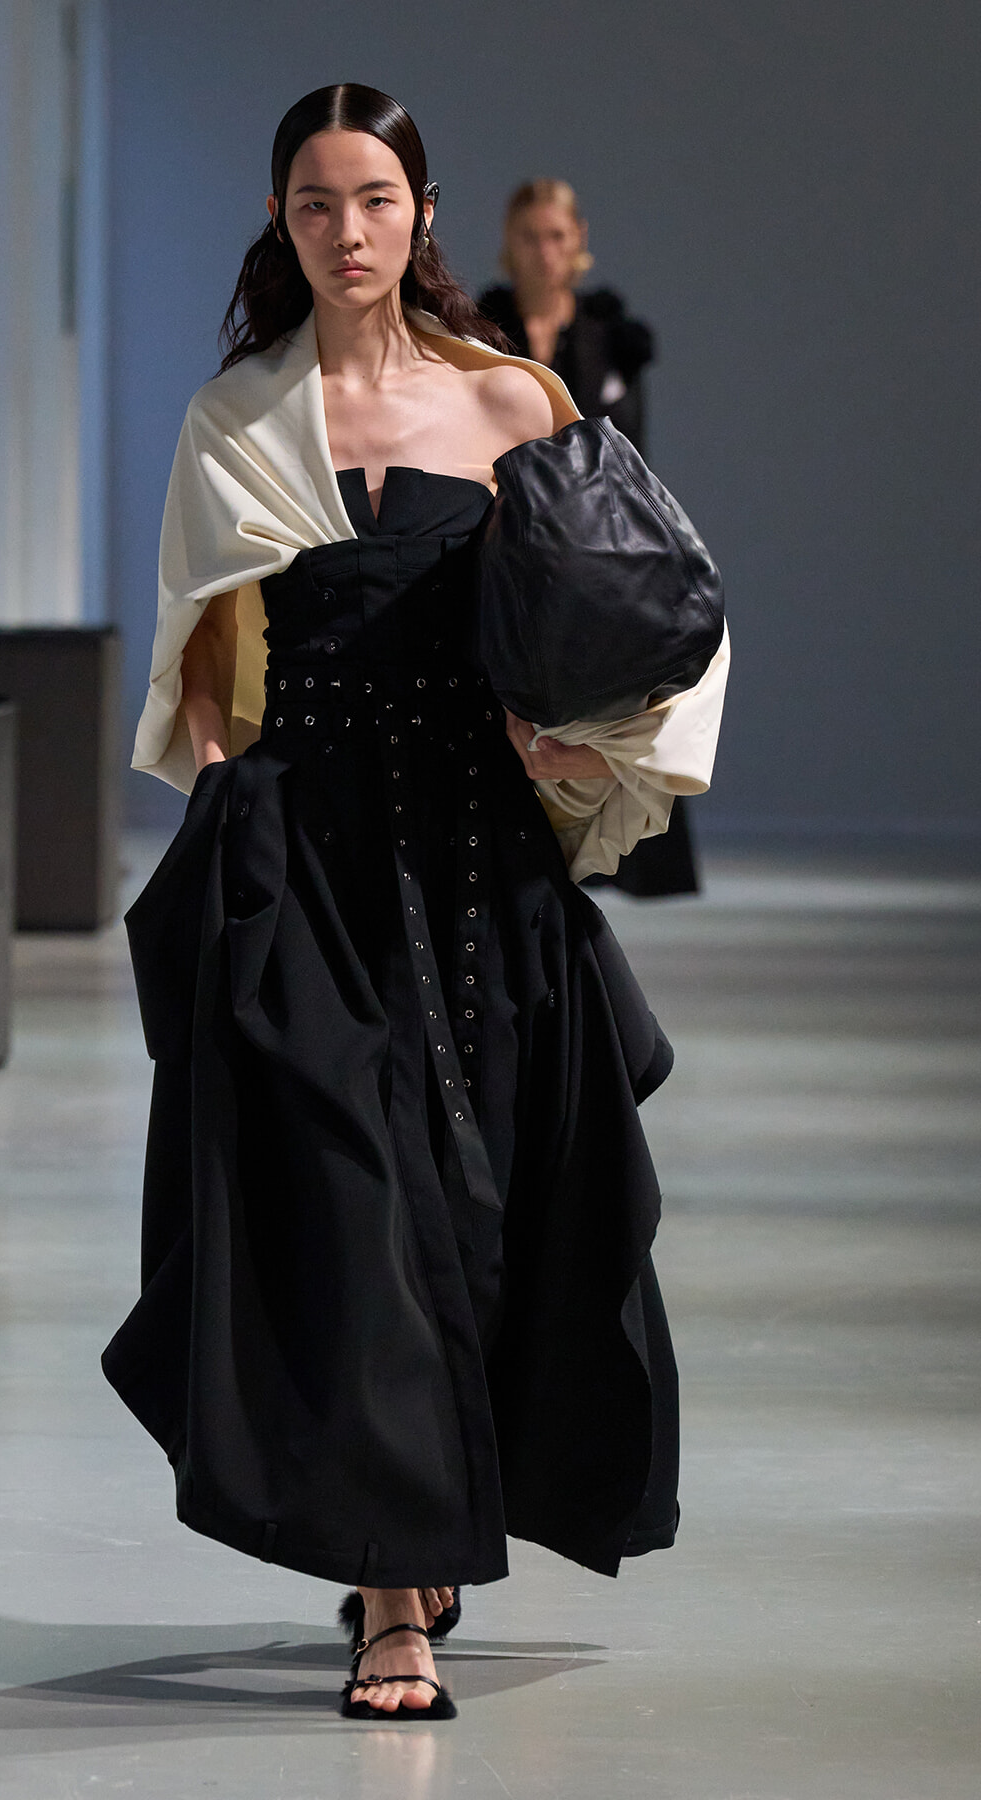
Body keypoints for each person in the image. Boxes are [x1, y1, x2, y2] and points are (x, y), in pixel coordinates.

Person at [102, 85, 729, 1721]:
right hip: (306, 849)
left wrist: (564, 736)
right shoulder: (236, 419)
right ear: (283, 220)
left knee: (484, 1200)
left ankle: (435, 1496)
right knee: (347, 1198)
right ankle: (394, 1599)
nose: (349, 229)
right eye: (316, 202)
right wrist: (242, 827)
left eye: (375, 197)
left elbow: (651, 610)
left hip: (474, 858)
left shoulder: (510, 405)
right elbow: (204, 662)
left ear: (422, 212)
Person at [479, 179, 701, 898]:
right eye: (529, 237)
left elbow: (634, 455)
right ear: (509, 246)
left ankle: (612, 849)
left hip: (601, 554)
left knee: (629, 693)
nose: (544, 252)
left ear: (577, 244)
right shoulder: (480, 335)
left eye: (556, 236)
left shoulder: (614, 342)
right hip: (505, 548)